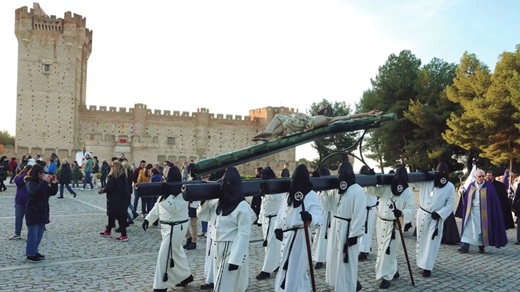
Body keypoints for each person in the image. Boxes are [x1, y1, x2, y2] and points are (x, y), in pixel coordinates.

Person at [142, 165, 194, 291]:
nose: (164, 173)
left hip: (176, 227)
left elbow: (173, 208)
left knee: (164, 255)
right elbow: (158, 206)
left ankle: (160, 285)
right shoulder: (166, 189)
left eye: (167, 171)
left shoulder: (182, 192)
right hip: (166, 228)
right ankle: (185, 276)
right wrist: (148, 220)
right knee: (176, 252)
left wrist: (167, 195)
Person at [274, 164, 323, 292]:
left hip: (301, 236)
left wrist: (309, 218)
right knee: (287, 268)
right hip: (287, 235)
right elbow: (281, 211)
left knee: (295, 270)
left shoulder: (310, 195)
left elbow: (319, 216)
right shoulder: (288, 194)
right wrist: (278, 227)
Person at [367, 165, 416, 289]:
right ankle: (393, 270)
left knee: (388, 251)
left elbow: (411, 209)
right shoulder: (386, 188)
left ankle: (386, 277)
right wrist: (370, 179)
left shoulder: (408, 192)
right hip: (381, 222)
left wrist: (402, 213)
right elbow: (373, 192)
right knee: (382, 248)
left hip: (395, 225)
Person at [322, 162, 366, 292]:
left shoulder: (357, 190)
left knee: (347, 260)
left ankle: (349, 287)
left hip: (348, 228)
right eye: (341, 171)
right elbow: (328, 207)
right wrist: (324, 192)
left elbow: (359, 214)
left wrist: (354, 234)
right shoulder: (337, 189)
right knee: (335, 257)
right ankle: (339, 286)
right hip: (336, 225)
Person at [212, 167, 252, 292]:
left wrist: (236, 259)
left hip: (231, 249)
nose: (225, 186)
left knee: (222, 287)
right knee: (223, 284)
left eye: (228, 183)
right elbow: (203, 215)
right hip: (217, 247)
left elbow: (244, 234)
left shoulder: (242, 206)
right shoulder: (220, 203)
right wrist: (203, 201)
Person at [412, 162, 456, 277]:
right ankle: (421, 262)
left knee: (431, 242)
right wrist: (420, 174)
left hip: (435, 218)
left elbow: (451, 203)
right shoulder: (427, 181)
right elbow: (410, 181)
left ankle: (427, 267)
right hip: (423, 214)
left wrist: (440, 213)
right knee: (421, 239)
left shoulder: (450, 186)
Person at [252, 106, 382, 141]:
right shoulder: (325, 119)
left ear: (326, 111)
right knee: (280, 128)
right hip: (300, 124)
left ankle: (269, 131)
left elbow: (349, 117)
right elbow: (348, 117)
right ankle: (269, 133)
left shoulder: (325, 118)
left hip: (299, 121)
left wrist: (367, 114)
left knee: (279, 117)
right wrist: (368, 114)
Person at [459, 169, 508, 253]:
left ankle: (481, 246)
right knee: (468, 229)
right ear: (475, 177)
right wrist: (463, 192)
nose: (481, 178)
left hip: (483, 213)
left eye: (483, 176)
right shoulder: (471, 185)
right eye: (479, 176)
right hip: (471, 212)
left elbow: (493, 201)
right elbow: (466, 199)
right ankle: (465, 246)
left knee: (481, 230)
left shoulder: (489, 187)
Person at [24, 164, 58, 261]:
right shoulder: (30, 182)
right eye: (40, 173)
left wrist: (54, 184)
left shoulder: (41, 182)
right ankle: (30, 254)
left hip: (42, 211)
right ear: (36, 173)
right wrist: (44, 182)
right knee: (33, 234)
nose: (41, 174)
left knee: (39, 234)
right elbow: (34, 192)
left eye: (42, 173)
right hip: (33, 211)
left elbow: (51, 192)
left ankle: (34, 251)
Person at [256, 167, 284, 280]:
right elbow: (263, 206)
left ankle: (266, 270)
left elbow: (279, 200)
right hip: (266, 220)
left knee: (273, 245)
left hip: (275, 219)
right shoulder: (265, 190)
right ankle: (276, 264)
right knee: (268, 246)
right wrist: (260, 219)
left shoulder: (277, 190)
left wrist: (270, 188)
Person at [98, 160, 131, 241]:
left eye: (112, 166)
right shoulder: (123, 177)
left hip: (115, 199)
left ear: (115, 167)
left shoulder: (113, 177)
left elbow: (110, 187)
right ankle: (108, 230)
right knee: (112, 215)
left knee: (119, 217)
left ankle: (124, 235)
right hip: (122, 199)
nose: (110, 167)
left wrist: (102, 190)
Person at [311, 167, 332, 270]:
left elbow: (328, 204)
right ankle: (319, 258)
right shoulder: (318, 191)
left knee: (327, 239)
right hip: (321, 215)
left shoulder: (331, 189)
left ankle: (327, 259)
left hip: (329, 216)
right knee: (319, 239)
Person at [8, 163, 33, 240]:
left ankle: (31, 235)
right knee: (18, 218)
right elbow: (17, 181)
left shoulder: (34, 179)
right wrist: (25, 175)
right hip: (19, 201)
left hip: (30, 202)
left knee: (30, 219)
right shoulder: (23, 177)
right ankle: (17, 233)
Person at [358, 165, 378, 261]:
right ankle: (365, 247)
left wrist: (371, 179)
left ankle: (364, 251)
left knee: (366, 230)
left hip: (369, 210)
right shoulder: (360, 184)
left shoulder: (372, 184)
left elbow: (374, 190)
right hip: (362, 210)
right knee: (362, 229)